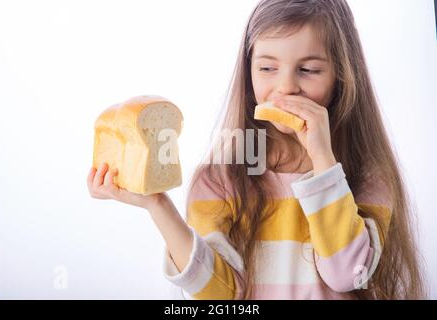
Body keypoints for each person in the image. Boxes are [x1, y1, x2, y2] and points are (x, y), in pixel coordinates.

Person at [87, 0, 426, 299]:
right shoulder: (220, 178)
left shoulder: (366, 176)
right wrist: (156, 203)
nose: (286, 86)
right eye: (267, 68)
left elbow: (345, 274)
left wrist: (324, 160)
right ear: (248, 72)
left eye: (309, 69)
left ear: (342, 76)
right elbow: (220, 294)